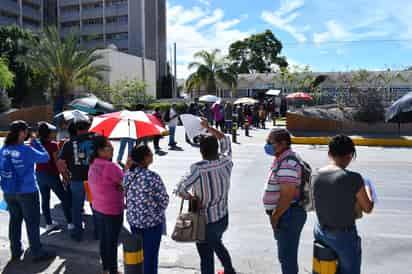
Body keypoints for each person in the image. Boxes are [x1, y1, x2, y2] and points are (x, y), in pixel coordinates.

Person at [175, 120, 236, 274]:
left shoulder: (198, 169)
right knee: (217, 244)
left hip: (205, 221)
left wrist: (191, 198)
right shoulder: (226, 162)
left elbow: (179, 189)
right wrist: (208, 128)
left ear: (201, 151)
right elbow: (225, 140)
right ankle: (229, 270)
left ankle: (229, 270)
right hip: (222, 217)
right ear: (216, 149)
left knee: (206, 255)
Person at [313, 135, 374, 274]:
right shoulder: (353, 178)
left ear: (329, 153)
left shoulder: (316, 175)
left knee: (325, 270)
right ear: (350, 155)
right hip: (343, 236)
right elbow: (367, 208)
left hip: (320, 231)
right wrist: (371, 193)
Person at [0, 120, 56, 262]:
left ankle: (16, 251)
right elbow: (45, 157)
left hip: (9, 191)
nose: (27, 133)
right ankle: (37, 252)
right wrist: (36, 144)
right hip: (27, 192)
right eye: (26, 131)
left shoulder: (4, 149)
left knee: (15, 221)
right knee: (32, 222)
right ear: (21, 132)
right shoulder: (26, 150)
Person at [263, 128, 307, 274]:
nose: (267, 145)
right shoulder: (282, 157)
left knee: (287, 257)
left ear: (282, 143)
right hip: (285, 214)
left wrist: (275, 216)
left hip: (287, 215)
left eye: (270, 142)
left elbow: (287, 196)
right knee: (285, 256)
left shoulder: (287, 162)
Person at [124, 145, 169, 274]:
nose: (152, 155)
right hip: (152, 223)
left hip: (134, 222)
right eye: (150, 153)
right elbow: (164, 200)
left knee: (138, 255)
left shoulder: (128, 175)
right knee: (151, 257)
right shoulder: (152, 177)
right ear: (144, 158)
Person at [88, 135, 124, 274]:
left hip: (98, 208)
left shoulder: (93, 163)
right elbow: (125, 183)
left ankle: (106, 268)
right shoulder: (110, 166)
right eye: (109, 147)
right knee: (112, 241)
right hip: (112, 209)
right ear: (100, 151)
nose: (112, 148)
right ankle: (113, 270)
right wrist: (126, 167)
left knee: (103, 240)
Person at [58, 120, 96, 241]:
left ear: (77, 129)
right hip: (92, 180)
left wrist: (66, 176)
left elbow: (61, 163)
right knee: (95, 206)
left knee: (76, 207)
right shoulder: (96, 141)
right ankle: (98, 232)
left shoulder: (68, 144)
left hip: (76, 179)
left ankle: (77, 233)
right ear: (87, 128)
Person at [36, 122, 73, 231]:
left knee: (45, 199)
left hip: (39, 174)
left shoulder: (37, 144)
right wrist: (65, 176)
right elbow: (57, 162)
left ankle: (48, 224)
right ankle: (70, 222)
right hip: (51, 175)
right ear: (49, 133)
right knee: (64, 198)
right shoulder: (52, 145)